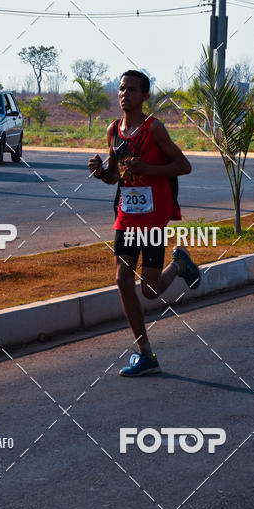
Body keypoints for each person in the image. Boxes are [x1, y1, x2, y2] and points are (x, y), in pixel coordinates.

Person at [89, 70, 199, 377]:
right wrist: (100, 172)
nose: (125, 94)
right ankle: (145, 353)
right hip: (126, 215)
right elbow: (115, 175)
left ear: (145, 96)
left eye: (132, 90)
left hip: (152, 217)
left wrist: (147, 168)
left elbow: (184, 166)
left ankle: (179, 264)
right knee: (122, 278)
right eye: (122, 89)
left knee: (150, 290)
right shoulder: (114, 130)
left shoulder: (154, 129)